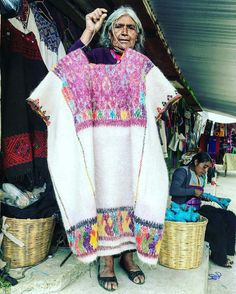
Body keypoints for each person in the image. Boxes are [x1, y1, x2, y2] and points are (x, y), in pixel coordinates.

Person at [27, 6, 181, 292]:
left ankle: (128, 257)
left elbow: (159, 101)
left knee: (134, 195)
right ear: (109, 32)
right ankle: (106, 261)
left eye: (131, 27)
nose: (124, 31)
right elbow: (68, 67)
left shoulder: (142, 65)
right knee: (102, 194)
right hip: (100, 146)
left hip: (130, 148)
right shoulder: (94, 57)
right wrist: (88, 31)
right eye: (118, 26)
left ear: (138, 34)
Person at [170, 152, 236, 268]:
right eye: (204, 166)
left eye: (207, 168)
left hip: (197, 208)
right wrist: (193, 192)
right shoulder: (182, 172)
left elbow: (198, 195)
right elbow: (174, 190)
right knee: (216, 220)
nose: (205, 170)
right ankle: (219, 257)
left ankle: (228, 250)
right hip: (184, 212)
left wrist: (209, 197)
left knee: (229, 216)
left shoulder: (200, 176)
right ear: (196, 162)